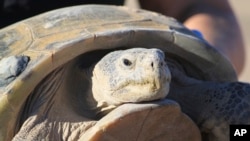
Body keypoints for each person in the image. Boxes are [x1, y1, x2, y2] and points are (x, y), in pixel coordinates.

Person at [0, 0, 245, 75]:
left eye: (160, 62)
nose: (154, 66)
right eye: (129, 65)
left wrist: (190, 64)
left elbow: (198, 6)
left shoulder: (160, 74)